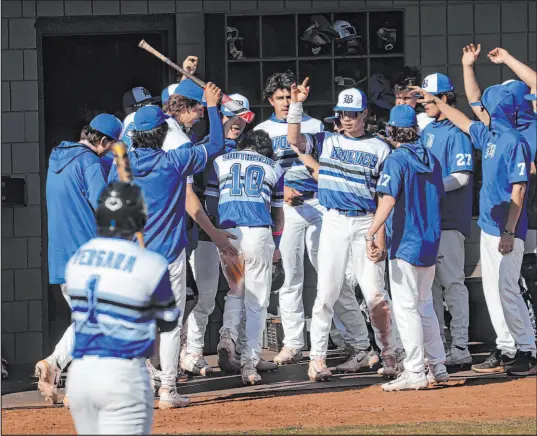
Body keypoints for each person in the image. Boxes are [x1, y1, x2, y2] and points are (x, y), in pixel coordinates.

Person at [108, 83, 225, 408]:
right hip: (169, 254)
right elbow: (217, 143)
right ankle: (168, 390)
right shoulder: (175, 161)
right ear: (161, 134)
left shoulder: (122, 167)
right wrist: (213, 108)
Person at [409, 80, 536, 376]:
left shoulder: (515, 141)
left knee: (507, 289)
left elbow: (518, 190)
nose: (481, 110)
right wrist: (435, 101)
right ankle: (506, 347)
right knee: (494, 291)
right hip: (491, 225)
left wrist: (508, 232)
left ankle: (527, 350)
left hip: (508, 227)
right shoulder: (491, 135)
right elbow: (462, 120)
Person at [288, 82, 403, 382]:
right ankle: (317, 360)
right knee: (326, 291)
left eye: (353, 114)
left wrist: (378, 235)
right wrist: (297, 105)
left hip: (366, 221)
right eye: (342, 114)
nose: (347, 119)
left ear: (365, 113)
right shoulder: (327, 140)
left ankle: (390, 355)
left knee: (375, 295)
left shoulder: (380, 147)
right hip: (335, 220)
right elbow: (294, 140)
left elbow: (383, 196)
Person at [66, 182, 179, 435]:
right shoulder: (151, 263)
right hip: (122, 374)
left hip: (80, 375)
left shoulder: (77, 258)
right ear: (138, 217)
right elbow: (169, 320)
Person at [35, 113, 123, 405]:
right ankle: (71, 380)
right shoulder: (89, 161)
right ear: (103, 141)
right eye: (110, 145)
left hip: (63, 256)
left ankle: (55, 365)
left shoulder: (58, 158)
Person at [365, 104, 448, 391]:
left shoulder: (397, 159)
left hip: (406, 242)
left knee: (407, 308)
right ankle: (438, 366)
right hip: (429, 240)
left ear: (391, 130)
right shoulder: (432, 159)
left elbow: (387, 201)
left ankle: (414, 372)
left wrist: (371, 232)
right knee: (424, 306)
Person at [253, 71, 325, 365]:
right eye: (280, 98)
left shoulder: (315, 125)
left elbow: (326, 166)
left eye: (289, 97)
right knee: (290, 279)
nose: (285, 102)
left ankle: (346, 339)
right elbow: (261, 175)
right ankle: (294, 342)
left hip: (319, 203)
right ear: (270, 100)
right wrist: (284, 189)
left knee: (332, 275)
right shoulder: (261, 130)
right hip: (286, 210)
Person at [212, 129, 285, 385]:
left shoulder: (221, 160)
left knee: (236, 290)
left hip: (228, 233)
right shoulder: (274, 167)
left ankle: (227, 337)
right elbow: (278, 215)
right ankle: (249, 362)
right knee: (257, 303)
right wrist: (277, 243)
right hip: (257, 235)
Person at [420, 73, 474, 368]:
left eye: (429, 98)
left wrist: (430, 188)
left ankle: (461, 346)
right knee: (431, 288)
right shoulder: (430, 129)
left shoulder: (456, 132)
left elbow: (462, 177)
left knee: (453, 284)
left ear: (445, 99)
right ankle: (439, 345)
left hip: (450, 219)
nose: (424, 103)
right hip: (430, 219)